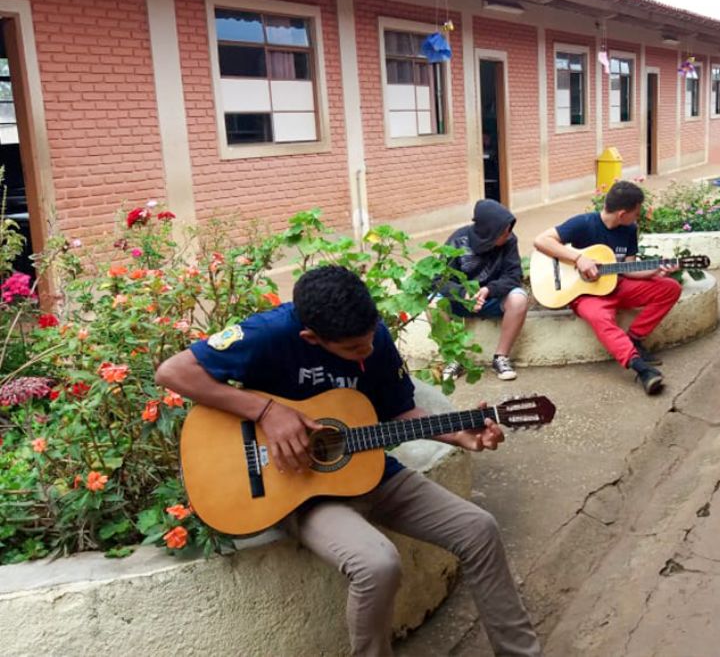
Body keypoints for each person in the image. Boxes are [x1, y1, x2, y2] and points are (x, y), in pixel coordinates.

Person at [155, 266, 541, 657]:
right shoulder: (268, 334)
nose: (368, 351)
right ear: (311, 338)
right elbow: (172, 371)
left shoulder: (372, 335)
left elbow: (399, 412)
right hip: (297, 490)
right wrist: (267, 411)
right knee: (377, 564)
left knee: (479, 528)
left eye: (371, 338)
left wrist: (461, 434)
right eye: (355, 349)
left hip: (371, 470)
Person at [533, 180, 682, 395]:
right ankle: (640, 368)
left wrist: (654, 270)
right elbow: (541, 241)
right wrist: (579, 259)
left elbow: (628, 267)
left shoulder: (629, 229)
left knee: (670, 288)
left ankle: (635, 338)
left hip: (617, 285)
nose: (637, 217)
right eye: (636, 213)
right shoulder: (583, 223)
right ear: (622, 214)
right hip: (586, 293)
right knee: (599, 318)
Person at [438, 199, 528, 381]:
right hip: (461, 301)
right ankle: (453, 359)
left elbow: (513, 275)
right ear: (489, 231)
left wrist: (488, 290)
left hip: (492, 298)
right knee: (434, 302)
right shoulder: (457, 240)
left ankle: (500, 358)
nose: (508, 234)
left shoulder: (510, 240)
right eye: (503, 231)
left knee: (519, 299)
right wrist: (463, 294)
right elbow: (439, 280)